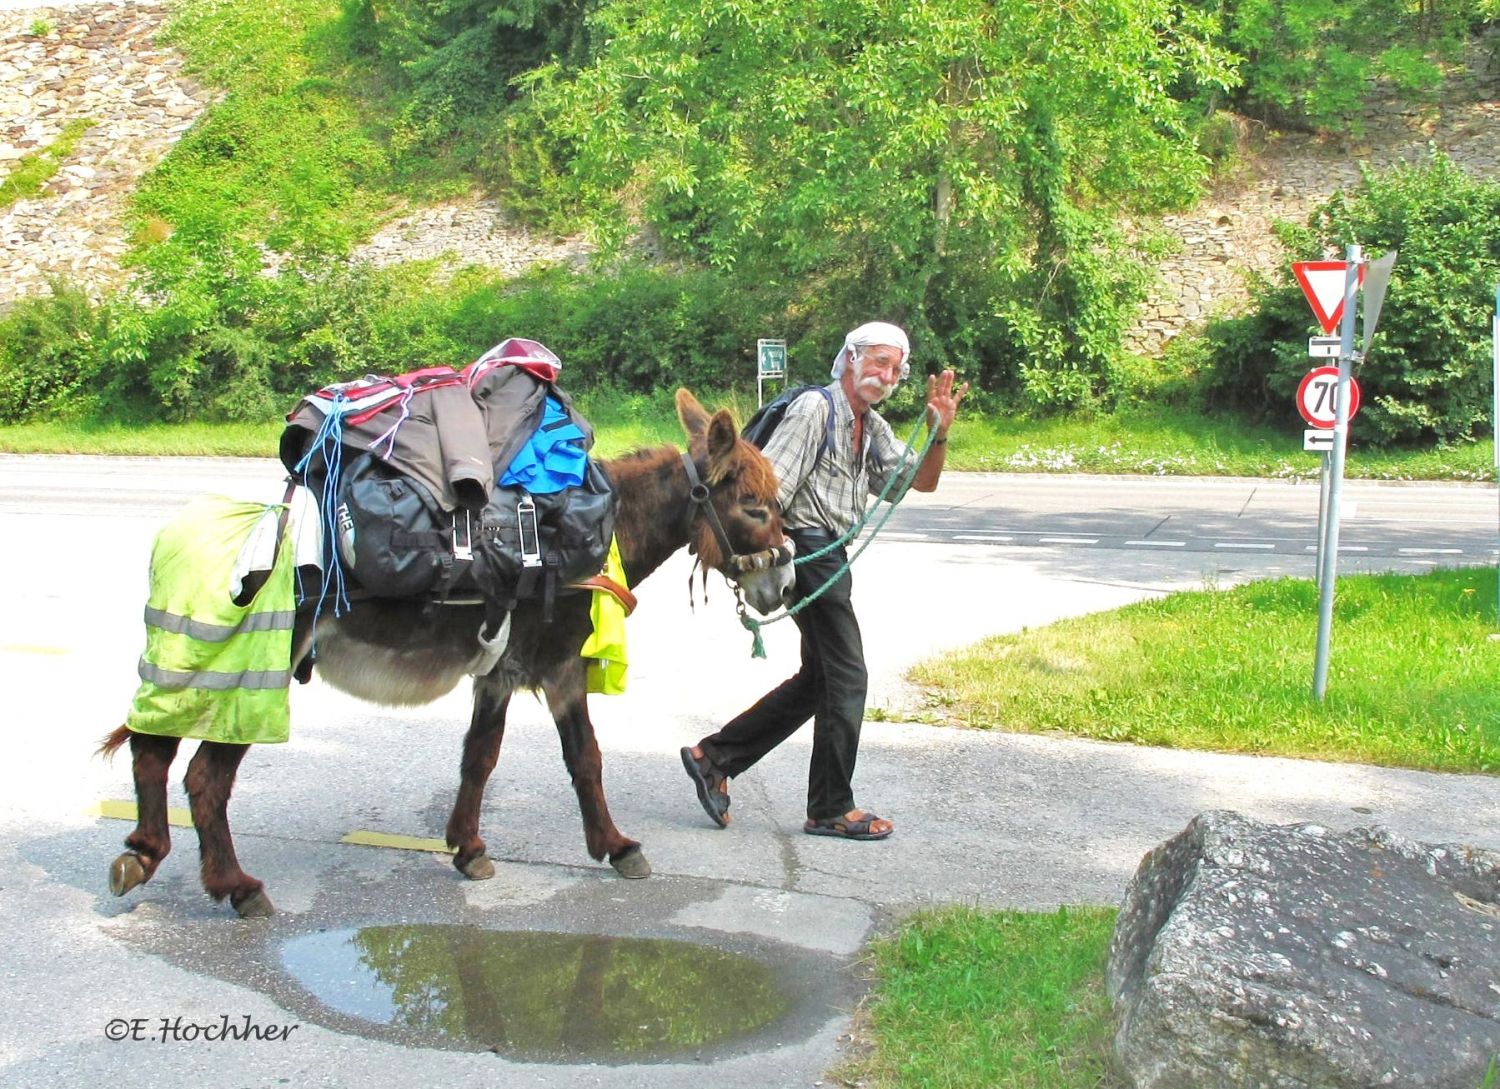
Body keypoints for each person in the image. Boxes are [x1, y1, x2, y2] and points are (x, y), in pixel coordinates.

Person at [681, 321, 968, 840]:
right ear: (851, 359)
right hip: (808, 549)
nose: (885, 374)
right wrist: (780, 554)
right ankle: (831, 807)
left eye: (895, 368)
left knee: (821, 679)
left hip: (831, 553)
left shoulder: (871, 426)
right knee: (848, 676)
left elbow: (918, 482)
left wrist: (938, 430)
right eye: (877, 361)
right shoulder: (817, 408)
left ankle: (715, 757)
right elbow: (774, 485)